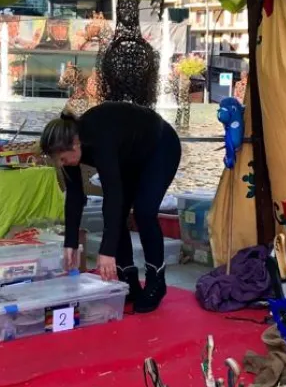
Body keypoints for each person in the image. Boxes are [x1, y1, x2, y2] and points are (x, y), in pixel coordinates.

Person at [40, 102, 181, 313]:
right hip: (129, 155)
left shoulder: (99, 140)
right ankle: (128, 280)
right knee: (119, 214)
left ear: (75, 144)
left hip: (160, 146)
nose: (61, 164)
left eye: (62, 159)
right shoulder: (72, 147)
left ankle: (156, 281)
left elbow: (112, 195)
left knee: (143, 211)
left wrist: (107, 252)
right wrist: (70, 243)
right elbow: (75, 196)